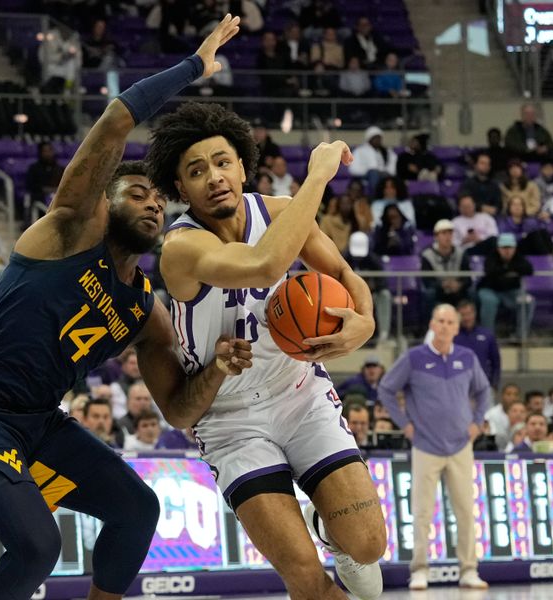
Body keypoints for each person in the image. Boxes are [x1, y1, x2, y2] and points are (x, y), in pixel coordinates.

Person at [0, 17, 253, 600]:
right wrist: (195, 67)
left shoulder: (143, 310)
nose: (154, 205)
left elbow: (176, 407)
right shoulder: (71, 228)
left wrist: (219, 364)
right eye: (138, 193)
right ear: (105, 199)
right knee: (38, 546)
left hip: (38, 424)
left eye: (160, 200)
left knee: (136, 507)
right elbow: (117, 120)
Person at [147, 101, 386, 600]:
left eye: (222, 162)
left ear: (241, 165)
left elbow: (343, 275)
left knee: (368, 546)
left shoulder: (276, 211)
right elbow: (261, 264)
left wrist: (362, 323)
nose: (213, 177)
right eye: (196, 171)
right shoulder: (181, 249)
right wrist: (317, 177)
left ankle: (331, 532)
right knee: (302, 573)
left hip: (299, 393)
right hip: (230, 418)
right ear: (180, 190)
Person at [378, 304, 490, 590]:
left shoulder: (467, 357)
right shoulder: (414, 358)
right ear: (432, 323)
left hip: (461, 446)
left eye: (449, 322)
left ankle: (468, 570)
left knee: (465, 510)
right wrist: (405, 424)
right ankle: (419, 570)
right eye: (439, 320)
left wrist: (477, 422)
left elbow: (484, 390)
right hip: (426, 445)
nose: (444, 326)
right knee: (423, 512)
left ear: (456, 327)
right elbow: (387, 389)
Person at [477, 232, 534, 338]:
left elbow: (529, 269)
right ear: (498, 248)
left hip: (511, 292)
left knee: (528, 300)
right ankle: (487, 336)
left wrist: (504, 271)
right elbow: (490, 271)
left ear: (515, 248)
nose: (507, 251)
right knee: (489, 301)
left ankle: (520, 336)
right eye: (504, 248)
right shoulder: (491, 256)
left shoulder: (518, 257)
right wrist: (511, 270)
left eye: (510, 247)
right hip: (490, 290)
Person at [420, 219, 471, 317]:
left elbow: (467, 278)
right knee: (429, 294)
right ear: (436, 236)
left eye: (450, 233)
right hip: (438, 291)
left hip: (458, 291)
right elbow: (427, 280)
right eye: (444, 233)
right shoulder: (427, 255)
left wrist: (459, 284)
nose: (448, 237)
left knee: (472, 293)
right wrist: (442, 285)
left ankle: (472, 328)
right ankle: (429, 328)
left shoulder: (461, 253)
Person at [454, 299, 501, 388]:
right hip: (458, 386)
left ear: (474, 314)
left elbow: (496, 362)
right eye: (463, 315)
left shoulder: (487, 335)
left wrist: (495, 384)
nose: (467, 318)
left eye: (469, 314)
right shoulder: (452, 336)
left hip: (483, 384)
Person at [349, 125, 397, 192]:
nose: (378, 140)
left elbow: (392, 167)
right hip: (365, 176)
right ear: (369, 139)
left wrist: (383, 172)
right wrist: (371, 170)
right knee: (373, 173)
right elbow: (353, 170)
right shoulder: (359, 151)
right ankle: (376, 195)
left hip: (383, 175)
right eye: (375, 138)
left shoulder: (386, 151)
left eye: (379, 138)